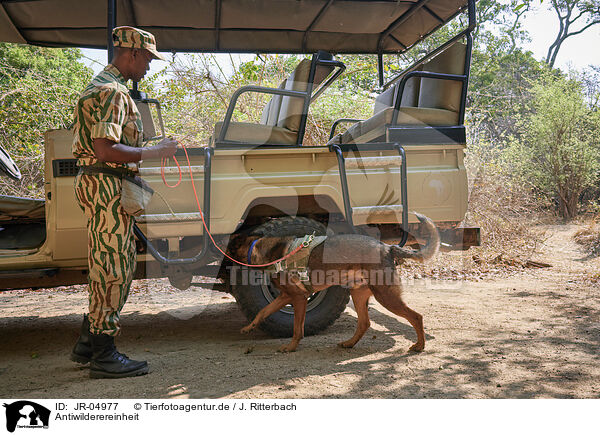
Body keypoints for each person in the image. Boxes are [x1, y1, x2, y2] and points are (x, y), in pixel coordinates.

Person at [70, 26, 178, 378]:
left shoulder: (99, 85)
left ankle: (88, 343)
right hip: (106, 186)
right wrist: (155, 152)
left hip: (103, 183)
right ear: (131, 53)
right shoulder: (113, 92)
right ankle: (103, 354)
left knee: (106, 262)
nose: (148, 66)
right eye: (147, 59)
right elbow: (106, 148)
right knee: (114, 268)